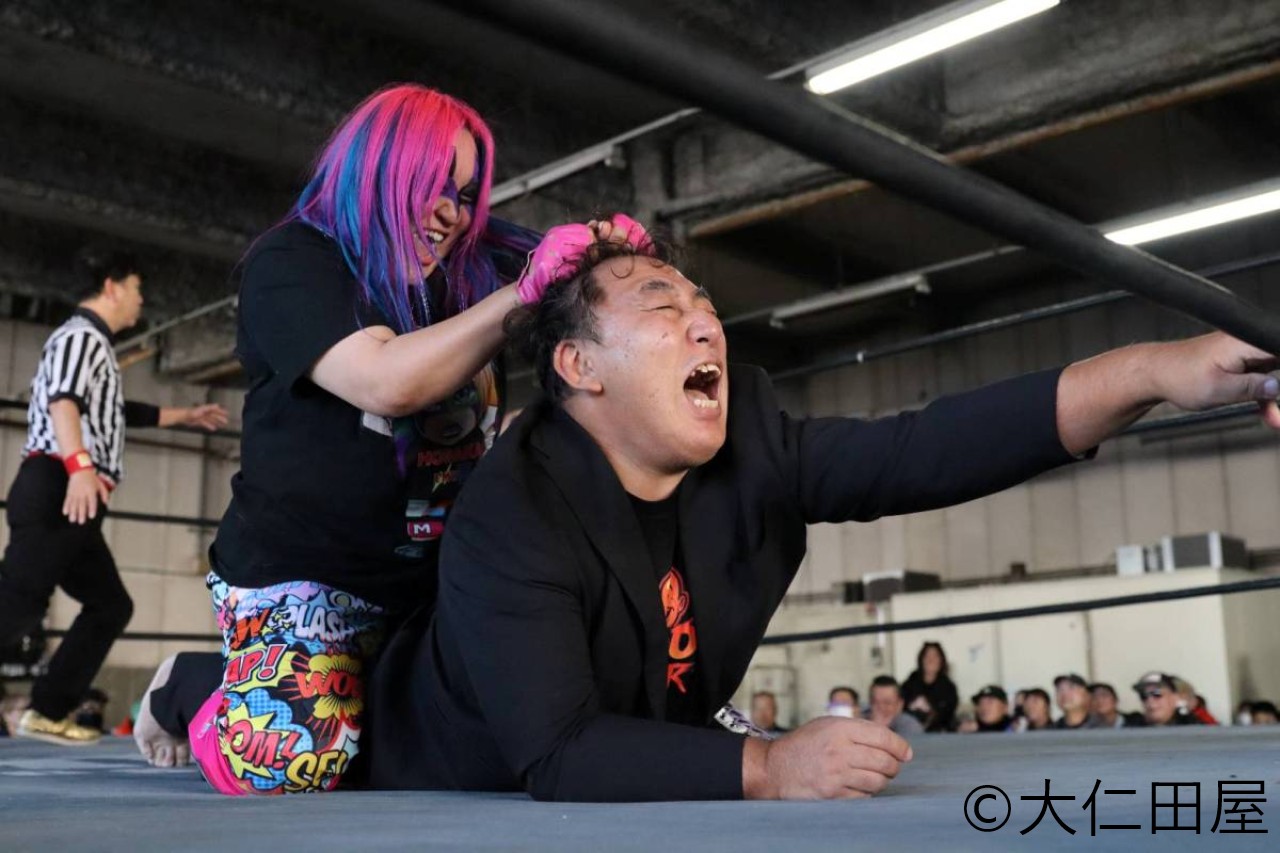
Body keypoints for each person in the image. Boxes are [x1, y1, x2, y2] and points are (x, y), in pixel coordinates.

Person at [367, 225, 1280, 801]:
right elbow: (560, 751)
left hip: (654, 728)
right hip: (452, 772)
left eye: (704, 306)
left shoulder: (751, 442)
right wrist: (769, 765)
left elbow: (923, 449)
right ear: (579, 366)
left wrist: (1159, 372)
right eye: (661, 304)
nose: (704, 324)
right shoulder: (514, 507)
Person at [142, 83, 592, 796]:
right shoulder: (294, 262)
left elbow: (582, 271)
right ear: (378, 173)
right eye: (431, 186)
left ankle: (364, 698)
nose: (449, 214)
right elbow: (387, 381)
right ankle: (189, 682)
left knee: (523, 721)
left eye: (463, 196)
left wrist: (608, 251)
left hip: (433, 584)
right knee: (292, 759)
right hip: (303, 579)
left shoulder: (468, 266)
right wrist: (520, 295)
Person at [0, 248, 228, 745]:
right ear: (112, 287)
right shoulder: (81, 336)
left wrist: (185, 416)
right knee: (17, 602)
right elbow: (63, 402)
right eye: (136, 289)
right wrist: (80, 467)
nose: (140, 301)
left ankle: (46, 710)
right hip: (60, 486)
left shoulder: (95, 346)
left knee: (109, 605)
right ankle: (44, 709)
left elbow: (114, 412)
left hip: (73, 496)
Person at [900, 642, 958, 733]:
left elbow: (948, 716)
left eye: (935, 656)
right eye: (927, 656)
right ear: (921, 660)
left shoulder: (949, 688)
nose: (931, 660)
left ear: (941, 661)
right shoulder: (909, 684)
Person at [1133, 672, 1201, 727]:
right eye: (1143, 696)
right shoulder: (1133, 726)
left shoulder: (1191, 726)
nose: (1150, 700)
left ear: (1175, 698)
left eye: (1157, 694)